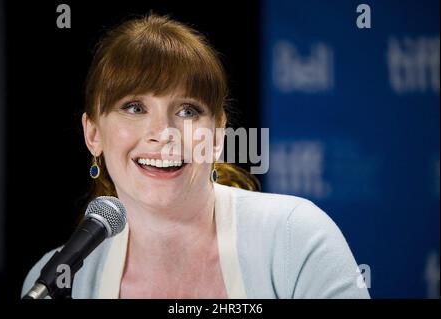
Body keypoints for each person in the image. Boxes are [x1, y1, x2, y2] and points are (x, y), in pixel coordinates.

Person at [21, 14, 370, 299]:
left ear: (218, 134)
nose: (164, 132)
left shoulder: (297, 237)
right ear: (93, 134)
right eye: (134, 107)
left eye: (188, 111)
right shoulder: (53, 279)